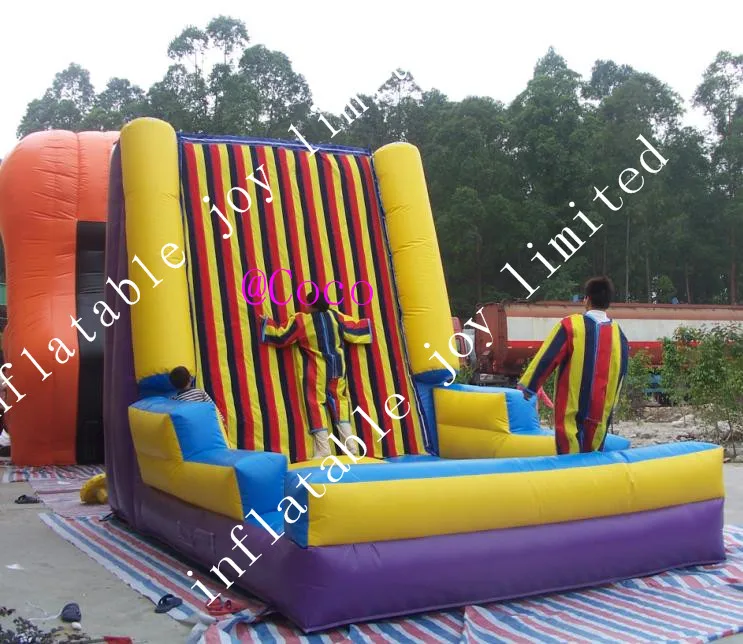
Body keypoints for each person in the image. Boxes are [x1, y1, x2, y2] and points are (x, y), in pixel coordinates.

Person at [517, 276, 629, 455]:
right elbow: (622, 371)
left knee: (569, 450)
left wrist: (530, 386)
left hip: (572, 406)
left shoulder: (571, 326)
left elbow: (548, 357)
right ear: (608, 302)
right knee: (593, 453)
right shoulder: (619, 334)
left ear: (587, 300)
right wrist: (613, 402)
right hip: (601, 409)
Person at [259, 286, 373, 459]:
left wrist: (267, 323)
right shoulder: (336, 316)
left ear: (311, 305)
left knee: (315, 405)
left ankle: (323, 450)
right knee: (340, 404)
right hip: (338, 368)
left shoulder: (302, 320)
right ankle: (351, 447)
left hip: (317, 370)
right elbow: (355, 329)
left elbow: (282, 336)